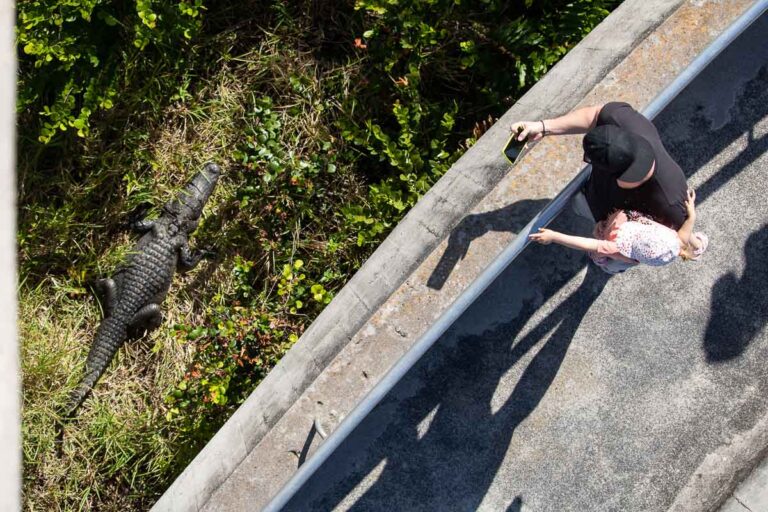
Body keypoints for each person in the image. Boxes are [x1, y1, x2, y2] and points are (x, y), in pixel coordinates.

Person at [511, 102, 689, 230]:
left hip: (616, 227)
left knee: (612, 263)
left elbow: (676, 241)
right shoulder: (618, 119)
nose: (644, 172)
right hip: (598, 198)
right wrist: (542, 127)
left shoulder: (672, 205)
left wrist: (609, 242)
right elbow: (595, 115)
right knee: (581, 205)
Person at [529, 189, 708, 273]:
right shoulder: (676, 242)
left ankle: (608, 268)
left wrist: (554, 236)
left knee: (606, 260)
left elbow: (588, 244)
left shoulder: (615, 247)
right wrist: (691, 213)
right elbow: (687, 227)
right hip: (614, 229)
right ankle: (698, 249)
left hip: (607, 243)